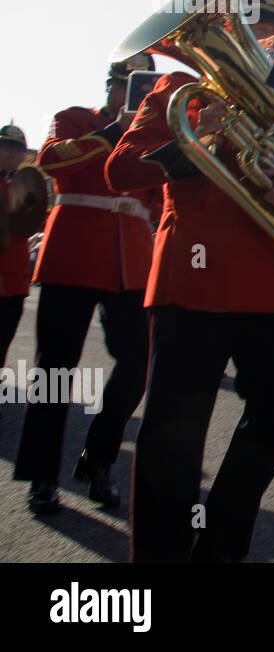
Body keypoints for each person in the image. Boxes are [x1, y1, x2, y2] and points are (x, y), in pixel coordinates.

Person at [106, 0, 274, 561]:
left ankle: (220, 545)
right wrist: (196, 135)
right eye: (250, 33)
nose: (260, 45)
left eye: (271, 36)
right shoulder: (178, 89)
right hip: (192, 283)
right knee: (173, 438)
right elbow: (121, 170)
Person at [14, 56, 160, 515]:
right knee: (55, 369)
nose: (132, 100)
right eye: (126, 88)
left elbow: (159, 198)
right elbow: (52, 162)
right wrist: (112, 132)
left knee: (137, 361)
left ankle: (98, 458)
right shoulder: (75, 118)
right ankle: (42, 475)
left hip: (129, 261)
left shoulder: (152, 137)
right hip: (74, 253)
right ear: (112, 87)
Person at [0, 125, 33, 371]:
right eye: (6, 147)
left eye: (17, 149)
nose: (12, 154)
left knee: (4, 339)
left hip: (16, 278)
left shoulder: (31, 184)